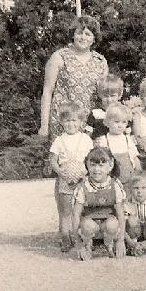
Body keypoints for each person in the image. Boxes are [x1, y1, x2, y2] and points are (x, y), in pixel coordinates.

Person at [39, 15, 108, 139]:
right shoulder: (59, 57)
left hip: (90, 125)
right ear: (73, 35)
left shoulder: (100, 61)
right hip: (63, 123)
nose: (83, 37)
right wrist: (44, 126)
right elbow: (47, 92)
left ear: (94, 39)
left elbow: (106, 95)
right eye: (79, 33)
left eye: (88, 34)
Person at [47, 101, 93, 251]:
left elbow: (91, 158)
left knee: (82, 208)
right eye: (67, 120)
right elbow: (53, 160)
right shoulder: (59, 140)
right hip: (65, 178)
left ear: (80, 122)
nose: (71, 124)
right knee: (66, 210)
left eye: (74, 120)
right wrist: (60, 172)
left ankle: (83, 235)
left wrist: (87, 173)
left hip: (82, 178)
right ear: (61, 122)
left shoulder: (85, 139)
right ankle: (65, 236)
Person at [71, 148, 127, 261]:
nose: (96, 169)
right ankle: (87, 244)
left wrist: (121, 241)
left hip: (108, 223)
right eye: (93, 165)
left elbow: (121, 214)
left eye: (101, 165)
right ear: (87, 165)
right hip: (89, 223)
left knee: (112, 224)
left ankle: (109, 242)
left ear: (110, 165)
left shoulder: (115, 185)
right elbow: (75, 215)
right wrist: (79, 244)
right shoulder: (83, 186)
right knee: (88, 225)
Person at [94, 103, 141, 196]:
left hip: (128, 175)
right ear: (107, 123)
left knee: (128, 196)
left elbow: (134, 155)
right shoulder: (103, 140)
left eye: (124, 122)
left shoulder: (127, 138)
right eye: (116, 122)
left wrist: (138, 168)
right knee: (113, 196)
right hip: (111, 177)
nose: (120, 125)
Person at [86, 74, 124, 139]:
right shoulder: (95, 113)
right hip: (100, 144)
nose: (109, 100)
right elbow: (87, 135)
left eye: (112, 96)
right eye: (106, 96)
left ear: (119, 95)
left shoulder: (123, 112)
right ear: (100, 95)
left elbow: (128, 134)